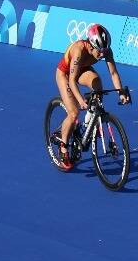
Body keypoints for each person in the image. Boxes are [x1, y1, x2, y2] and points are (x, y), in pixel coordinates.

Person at [51, 23, 131, 169]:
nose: (102, 54)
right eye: (99, 51)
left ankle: (89, 123)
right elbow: (72, 80)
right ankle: (63, 146)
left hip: (82, 69)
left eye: (104, 51)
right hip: (66, 74)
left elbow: (113, 73)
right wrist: (81, 100)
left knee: (98, 85)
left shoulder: (106, 50)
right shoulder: (79, 50)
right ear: (90, 45)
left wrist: (121, 92)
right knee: (74, 112)